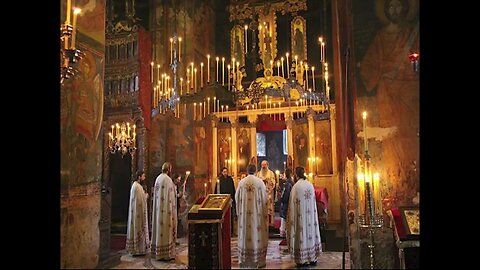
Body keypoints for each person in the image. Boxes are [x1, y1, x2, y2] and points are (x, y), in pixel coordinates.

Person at [359, 0, 419, 201]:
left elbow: (415, 60)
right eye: (390, 7)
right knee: (391, 136)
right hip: (387, 92)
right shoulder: (381, 37)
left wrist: (408, 70)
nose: (394, 10)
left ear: (405, 8)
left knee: (408, 132)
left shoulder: (413, 33)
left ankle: (412, 182)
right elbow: (368, 67)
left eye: (398, 6)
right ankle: (395, 184)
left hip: (410, 91)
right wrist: (383, 71)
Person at [286, 166, 322, 266]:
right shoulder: (310, 185)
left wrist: (289, 218)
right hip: (310, 216)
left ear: (296, 175)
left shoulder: (296, 187)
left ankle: (302, 259)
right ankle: (312, 257)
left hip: (300, 216)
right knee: (310, 233)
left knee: (301, 234)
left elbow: (291, 205)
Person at [235, 164, 269, 268]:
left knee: (246, 235)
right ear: (256, 171)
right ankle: (258, 260)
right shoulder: (260, 183)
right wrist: (264, 213)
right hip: (257, 217)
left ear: (246, 170)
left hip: (244, 217)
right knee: (256, 235)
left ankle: (245, 260)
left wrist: (239, 213)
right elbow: (265, 200)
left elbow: (237, 199)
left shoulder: (241, 183)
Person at [151, 162, 177, 261]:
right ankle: (166, 254)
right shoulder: (168, 180)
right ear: (169, 169)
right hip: (166, 211)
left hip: (158, 211)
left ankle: (158, 252)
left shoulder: (158, 178)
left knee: (159, 230)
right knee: (166, 231)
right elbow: (171, 198)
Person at [126, 170, 150, 256]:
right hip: (138, 214)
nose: (144, 178)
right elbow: (140, 200)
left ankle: (138, 249)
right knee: (139, 230)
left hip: (136, 213)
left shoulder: (134, 186)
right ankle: (138, 250)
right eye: (143, 176)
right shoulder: (137, 187)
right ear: (139, 177)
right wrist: (146, 196)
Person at [214, 167, 237, 234]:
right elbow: (216, 191)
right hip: (222, 200)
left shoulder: (230, 179)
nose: (225, 173)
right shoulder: (219, 180)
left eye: (226, 172)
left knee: (230, 216)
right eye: (224, 172)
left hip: (229, 200)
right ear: (222, 172)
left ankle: (231, 231)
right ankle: (222, 231)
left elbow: (233, 189)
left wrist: (232, 197)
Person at [256, 159, 277, 227]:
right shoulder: (258, 173)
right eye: (262, 165)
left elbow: (273, 182)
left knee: (269, 209)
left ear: (267, 165)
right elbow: (257, 183)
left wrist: (267, 182)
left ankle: (270, 223)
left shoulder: (271, 173)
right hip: (261, 194)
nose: (263, 166)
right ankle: (261, 222)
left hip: (269, 194)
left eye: (264, 165)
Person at [279, 168, 294, 238]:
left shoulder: (288, 183)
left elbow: (285, 196)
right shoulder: (291, 182)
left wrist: (281, 199)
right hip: (290, 204)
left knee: (285, 222)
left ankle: (286, 238)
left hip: (286, 205)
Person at [172, 173, 184, 237]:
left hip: (176, 205)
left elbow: (177, 194)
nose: (179, 181)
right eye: (178, 180)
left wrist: (180, 194)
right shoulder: (172, 185)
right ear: (175, 179)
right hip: (173, 205)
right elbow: (174, 195)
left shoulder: (176, 186)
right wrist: (178, 195)